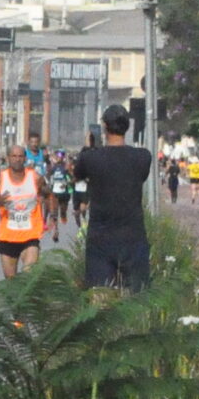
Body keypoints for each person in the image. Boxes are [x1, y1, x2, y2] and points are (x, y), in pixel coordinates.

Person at [77, 104, 152, 289]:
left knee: (99, 296)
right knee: (138, 295)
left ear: (104, 126)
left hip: (100, 236)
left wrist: (87, 147)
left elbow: (78, 174)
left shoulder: (91, 158)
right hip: (133, 235)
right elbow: (141, 177)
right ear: (127, 127)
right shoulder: (143, 157)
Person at [0, 143, 51, 278]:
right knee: (11, 283)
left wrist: (52, 215)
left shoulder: (35, 178)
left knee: (28, 279)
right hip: (8, 236)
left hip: (30, 236)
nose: (17, 159)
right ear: (8, 158)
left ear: (25, 158)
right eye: (14, 156)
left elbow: (48, 194)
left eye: (20, 156)